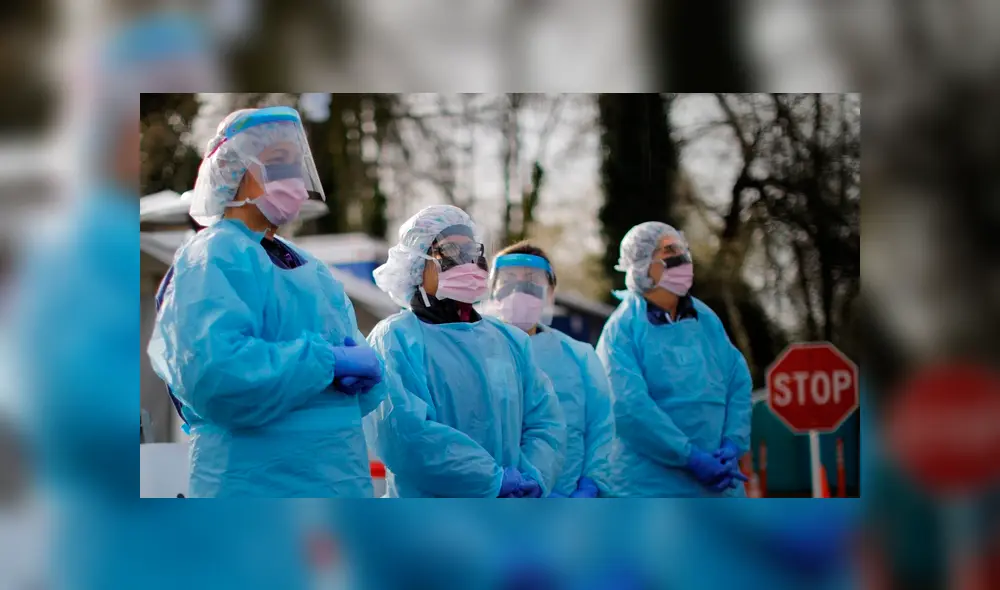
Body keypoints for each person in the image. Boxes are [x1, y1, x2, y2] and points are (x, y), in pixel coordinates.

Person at [147, 106, 386, 498]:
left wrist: (369, 373)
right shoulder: (213, 256)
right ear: (232, 172)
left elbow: (350, 370)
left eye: (296, 164)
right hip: (254, 484)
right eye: (277, 163)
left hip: (338, 481)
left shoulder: (312, 268)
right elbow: (215, 377)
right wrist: (326, 362)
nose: (292, 178)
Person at [365, 205, 566, 498]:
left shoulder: (509, 341)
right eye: (449, 252)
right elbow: (405, 437)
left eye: (472, 252)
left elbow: (545, 420)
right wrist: (491, 481)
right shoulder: (394, 339)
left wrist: (533, 475)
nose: (468, 263)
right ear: (415, 265)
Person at [596, 221, 752, 497]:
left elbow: (737, 381)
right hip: (649, 487)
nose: (683, 260)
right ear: (642, 266)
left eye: (683, 250)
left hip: (719, 485)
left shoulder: (706, 320)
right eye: (670, 252)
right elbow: (628, 407)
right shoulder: (622, 329)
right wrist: (689, 456)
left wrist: (731, 445)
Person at [483, 242, 614, 498]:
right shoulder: (475, 353)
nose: (519, 290)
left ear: (551, 293)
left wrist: (591, 484)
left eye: (531, 281)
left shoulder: (579, 356)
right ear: (492, 292)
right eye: (509, 280)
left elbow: (601, 428)